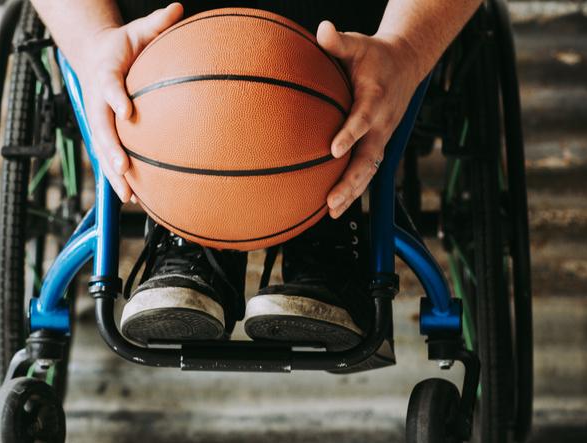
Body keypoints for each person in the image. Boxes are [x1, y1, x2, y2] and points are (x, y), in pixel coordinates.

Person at [31, 0, 481, 366]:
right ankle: (191, 225)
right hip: (163, 54)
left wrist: (405, 48)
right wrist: (91, 43)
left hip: (347, 44)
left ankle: (322, 223)